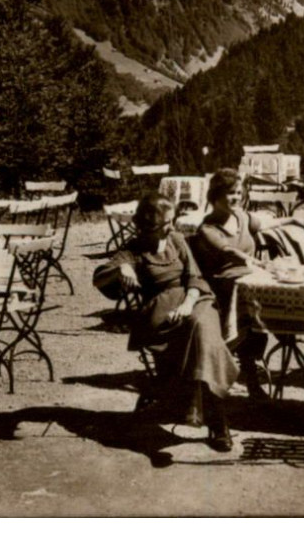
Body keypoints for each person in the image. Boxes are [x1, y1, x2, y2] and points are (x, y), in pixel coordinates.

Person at [94, 192, 238, 452]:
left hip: (195, 301)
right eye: (166, 223)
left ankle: (216, 419)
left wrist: (186, 305)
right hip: (161, 316)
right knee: (202, 337)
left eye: (172, 221)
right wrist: (121, 269)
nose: (172, 226)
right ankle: (218, 421)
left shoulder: (177, 240)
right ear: (148, 225)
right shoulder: (133, 250)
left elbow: (194, 277)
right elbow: (100, 277)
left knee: (201, 328)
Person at [193, 169, 301, 399]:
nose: (236, 198)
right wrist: (254, 262)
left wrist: (293, 219)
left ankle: (282, 338)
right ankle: (248, 375)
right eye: (231, 193)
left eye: (239, 193)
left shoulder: (241, 216)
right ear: (215, 196)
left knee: (275, 297)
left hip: (251, 280)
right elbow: (228, 251)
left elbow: (264, 224)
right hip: (224, 286)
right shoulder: (207, 228)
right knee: (252, 311)